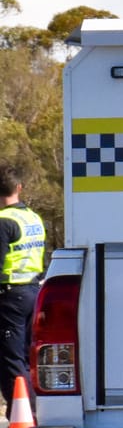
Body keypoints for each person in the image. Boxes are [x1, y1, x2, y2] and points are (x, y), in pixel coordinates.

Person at [0, 165, 47, 405]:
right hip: (33, 291)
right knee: (27, 358)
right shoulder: (33, 217)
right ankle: (32, 412)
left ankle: (20, 416)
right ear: (19, 187)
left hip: (10, 296)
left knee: (10, 360)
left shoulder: (3, 221)